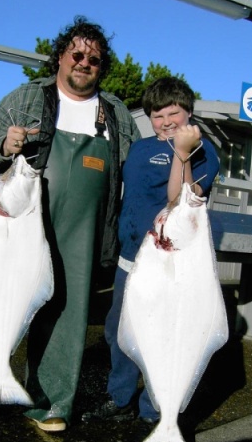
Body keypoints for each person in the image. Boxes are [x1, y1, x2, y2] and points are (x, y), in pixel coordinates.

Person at [0, 16, 141, 431]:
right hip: (17, 223)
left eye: (94, 59)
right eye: (77, 54)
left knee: (69, 310)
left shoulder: (115, 113)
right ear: (61, 56)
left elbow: (134, 173)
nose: (84, 63)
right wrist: (5, 144)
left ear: (101, 66)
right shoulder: (27, 96)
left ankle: (51, 404)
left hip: (82, 229)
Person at [83, 76, 220, 424]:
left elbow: (180, 199)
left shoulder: (204, 151)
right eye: (157, 115)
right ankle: (120, 397)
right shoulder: (141, 148)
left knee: (161, 336)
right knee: (120, 331)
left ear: (189, 112)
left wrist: (182, 153)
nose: (166, 121)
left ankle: (154, 407)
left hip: (170, 267)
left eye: (174, 112)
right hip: (130, 259)